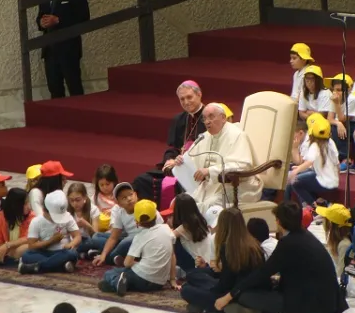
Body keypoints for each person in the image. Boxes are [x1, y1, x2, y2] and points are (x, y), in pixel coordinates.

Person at [214, 202, 348, 313]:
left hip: (308, 304)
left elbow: (262, 272)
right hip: (328, 300)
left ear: (278, 221)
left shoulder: (288, 243)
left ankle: (258, 312)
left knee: (245, 296)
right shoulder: (306, 236)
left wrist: (229, 296)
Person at [174, 103, 262, 214]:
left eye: (211, 117)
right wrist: (181, 161)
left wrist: (210, 171)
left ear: (223, 118)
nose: (207, 122)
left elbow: (243, 165)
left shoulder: (237, 135)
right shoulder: (205, 137)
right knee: (182, 201)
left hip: (237, 186)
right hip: (211, 186)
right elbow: (192, 159)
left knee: (210, 205)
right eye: (204, 118)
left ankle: (205, 231)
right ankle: (190, 230)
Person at [180, 207, 269, 313]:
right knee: (193, 275)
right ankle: (204, 304)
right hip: (251, 291)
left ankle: (219, 307)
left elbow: (225, 285)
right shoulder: (254, 244)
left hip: (232, 294)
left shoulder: (228, 247)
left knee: (186, 289)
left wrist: (213, 289)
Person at [133, 80, 207, 208]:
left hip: (198, 167)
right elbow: (173, 147)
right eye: (182, 99)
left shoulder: (209, 116)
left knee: (181, 185)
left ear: (199, 94)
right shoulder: (179, 119)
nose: (186, 102)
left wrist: (184, 160)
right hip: (177, 165)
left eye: (189, 97)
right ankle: (151, 219)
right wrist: (169, 159)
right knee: (142, 180)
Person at [35, 0, 90, 99]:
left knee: (74, 86)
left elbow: (84, 17)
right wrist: (42, 22)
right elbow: (40, 16)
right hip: (50, 49)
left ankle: (80, 118)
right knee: (54, 88)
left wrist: (58, 20)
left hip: (69, 47)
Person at [100, 200, 177, 296]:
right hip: (160, 283)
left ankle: (115, 283)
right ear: (156, 216)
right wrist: (173, 280)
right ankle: (119, 284)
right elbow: (172, 255)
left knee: (110, 273)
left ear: (137, 221)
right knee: (113, 280)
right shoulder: (167, 229)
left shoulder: (140, 236)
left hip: (142, 279)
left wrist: (135, 263)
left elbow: (127, 263)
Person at [91, 182, 164, 266]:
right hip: (128, 242)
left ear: (136, 195)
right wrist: (103, 254)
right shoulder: (120, 212)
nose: (129, 199)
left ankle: (109, 258)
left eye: (130, 195)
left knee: (127, 241)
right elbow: (113, 237)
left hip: (146, 242)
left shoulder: (146, 207)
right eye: (124, 198)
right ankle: (114, 255)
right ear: (119, 204)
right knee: (96, 236)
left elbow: (161, 230)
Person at [19, 190, 81, 274]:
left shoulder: (68, 216)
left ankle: (36, 267)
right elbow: (32, 245)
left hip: (62, 251)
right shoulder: (37, 221)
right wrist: (51, 241)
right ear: (45, 211)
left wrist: (71, 244)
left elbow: (77, 236)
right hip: (44, 252)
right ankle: (61, 266)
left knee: (72, 254)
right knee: (27, 255)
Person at [285, 116, 339, 207]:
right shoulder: (330, 142)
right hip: (329, 177)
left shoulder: (315, 144)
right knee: (296, 177)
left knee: (295, 180)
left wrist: (296, 171)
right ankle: (317, 202)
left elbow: (308, 162)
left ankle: (310, 207)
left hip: (324, 179)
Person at [325, 73, 355, 171]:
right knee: (332, 127)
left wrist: (337, 105)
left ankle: (346, 159)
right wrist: (338, 123)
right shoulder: (334, 98)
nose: (335, 93)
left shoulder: (353, 99)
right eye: (334, 90)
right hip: (346, 123)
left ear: (348, 89)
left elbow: (343, 119)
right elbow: (329, 119)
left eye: (339, 90)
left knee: (340, 127)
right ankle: (332, 157)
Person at [171, 193, 213, 272]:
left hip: (198, 265)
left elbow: (167, 236)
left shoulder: (184, 227)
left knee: (173, 242)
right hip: (208, 261)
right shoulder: (201, 220)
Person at [66, 182, 102, 257]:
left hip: (88, 240)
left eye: (78, 200)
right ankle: (84, 254)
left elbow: (96, 234)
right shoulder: (67, 210)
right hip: (71, 241)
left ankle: (79, 253)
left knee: (98, 241)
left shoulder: (93, 209)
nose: (75, 203)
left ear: (85, 197)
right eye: (71, 200)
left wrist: (86, 225)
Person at [316, 203, 352, 277]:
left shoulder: (344, 245)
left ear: (331, 223)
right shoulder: (335, 241)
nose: (323, 220)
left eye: (325, 218)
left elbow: (342, 273)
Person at [92, 164, 119, 231]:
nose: (105, 187)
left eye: (107, 184)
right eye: (102, 185)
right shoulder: (95, 198)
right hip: (101, 229)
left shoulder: (120, 195)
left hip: (117, 228)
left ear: (114, 182)